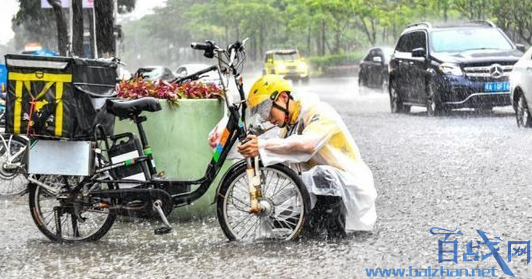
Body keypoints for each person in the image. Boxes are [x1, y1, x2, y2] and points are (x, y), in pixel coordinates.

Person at [234, 74, 377, 237]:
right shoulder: (288, 128)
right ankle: (314, 225)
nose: (267, 118)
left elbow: (308, 145)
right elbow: (287, 170)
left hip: (350, 191)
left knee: (323, 175)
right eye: (262, 113)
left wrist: (262, 146)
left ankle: (336, 237)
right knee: (281, 225)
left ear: (283, 97)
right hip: (319, 194)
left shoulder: (320, 112)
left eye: (266, 109)